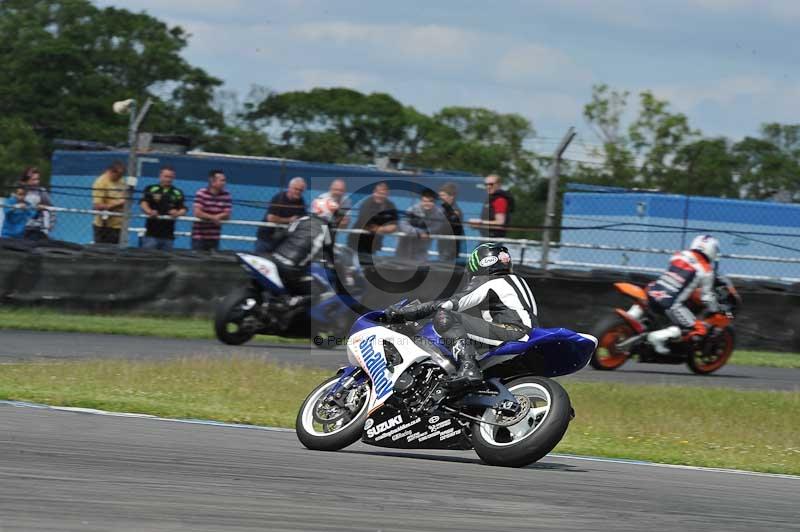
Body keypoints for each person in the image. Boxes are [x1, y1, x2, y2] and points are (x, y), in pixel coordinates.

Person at [386, 242, 538, 387]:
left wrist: (406, 312)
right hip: (521, 333)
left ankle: (468, 367)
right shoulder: (514, 280)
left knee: (445, 316)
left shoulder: (490, 279)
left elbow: (449, 304)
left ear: (480, 262)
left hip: (512, 332)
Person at [646, 234, 721, 354]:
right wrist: (715, 308)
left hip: (653, 292)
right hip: (672, 305)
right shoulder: (707, 270)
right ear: (712, 250)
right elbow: (705, 297)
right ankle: (658, 337)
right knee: (699, 329)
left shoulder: (679, 255)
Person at [266, 196, 339, 295]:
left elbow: (280, 236)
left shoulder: (302, 219)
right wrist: (335, 266)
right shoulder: (326, 229)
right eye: (333, 212)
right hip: (294, 267)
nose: (335, 216)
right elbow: (329, 250)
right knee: (318, 291)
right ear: (327, 211)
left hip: (275, 259)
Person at [139, 165, 186, 251]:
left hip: (168, 235)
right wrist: (149, 211)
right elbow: (143, 203)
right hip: (151, 233)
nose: (168, 179)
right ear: (160, 176)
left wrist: (177, 213)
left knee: (166, 260)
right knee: (148, 258)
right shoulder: (151, 189)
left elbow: (183, 209)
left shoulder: (177, 192)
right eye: (166, 176)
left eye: (170, 177)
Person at [256, 177, 307, 254]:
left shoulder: (301, 202)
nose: (298, 192)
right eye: (296, 189)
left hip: (283, 240)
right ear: (289, 188)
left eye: (301, 190)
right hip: (266, 238)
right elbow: (271, 218)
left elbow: (302, 218)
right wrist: (289, 220)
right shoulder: (279, 198)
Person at [348, 182, 398, 259]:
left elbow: (394, 226)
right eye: (378, 193)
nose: (380, 196)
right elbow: (367, 224)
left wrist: (380, 229)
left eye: (383, 193)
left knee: (369, 267)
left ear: (387, 194)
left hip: (373, 244)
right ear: (374, 192)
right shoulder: (367, 204)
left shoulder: (390, 205)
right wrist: (385, 228)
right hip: (357, 242)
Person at [396, 188, 445, 262]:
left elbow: (437, 226)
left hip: (422, 248)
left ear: (434, 202)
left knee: (420, 268)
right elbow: (403, 223)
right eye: (425, 201)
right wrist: (418, 232)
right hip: (405, 246)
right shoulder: (412, 209)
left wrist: (427, 232)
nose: (427, 203)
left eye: (430, 201)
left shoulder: (438, 213)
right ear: (421, 201)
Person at [191, 169, 232, 252]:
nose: (224, 183)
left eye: (224, 180)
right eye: (222, 180)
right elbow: (197, 212)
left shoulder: (226, 195)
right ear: (212, 181)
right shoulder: (201, 193)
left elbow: (228, 214)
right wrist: (213, 218)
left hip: (214, 237)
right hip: (199, 237)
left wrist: (218, 216)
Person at [468, 174, 515, 238]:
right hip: (487, 237)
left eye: (491, 184)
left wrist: (480, 223)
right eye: (486, 184)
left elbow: (500, 223)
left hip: (494, 239)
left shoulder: (499, 200)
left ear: (498, 185)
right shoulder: (490, 199)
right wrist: (477, 225)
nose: (488, 186)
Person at [91, 161, 127, 244]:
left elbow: (127, 199)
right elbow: (97, 206)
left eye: (121, 176)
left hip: (119, 224)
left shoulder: (122, 181)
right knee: (103, 251)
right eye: (118, 176)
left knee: (117, 251)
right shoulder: (101, 182)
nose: (120, 178)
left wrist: (124, 202)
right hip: (104, 226)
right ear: (111, 172)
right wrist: (119, 203)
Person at [19, 167, 55, 241]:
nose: (36, 182)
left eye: (37, 179)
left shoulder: (41, 191)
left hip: (37, 228)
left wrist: (49, 226)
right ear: (27, 180)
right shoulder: (21, 191)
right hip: (21, 227)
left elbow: (51, 209)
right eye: (33, 179)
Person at [437, 182, 464, 262]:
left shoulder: (455, 211)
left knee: (445, 265)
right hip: (443, 244)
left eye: (443, 195)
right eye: (440, 195)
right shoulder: (443, 209)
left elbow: (446, 227)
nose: (440, 198)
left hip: (450, 246)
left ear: (451, 196)